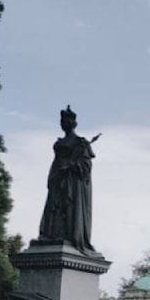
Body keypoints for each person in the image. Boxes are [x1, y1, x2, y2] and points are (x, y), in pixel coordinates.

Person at [37, 106, 97, 254]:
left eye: (67, 120)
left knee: (68, 207)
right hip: (58, 178)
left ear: (74, 123)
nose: (64, 123)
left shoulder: (81, 143)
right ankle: (52, 234)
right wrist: (54, 174)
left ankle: (69, 235)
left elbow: (86, 164)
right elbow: (56, 161)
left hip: (72, 182)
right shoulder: (58, 144)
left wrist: (71, 165)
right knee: (54, 207)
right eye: (62, 121)